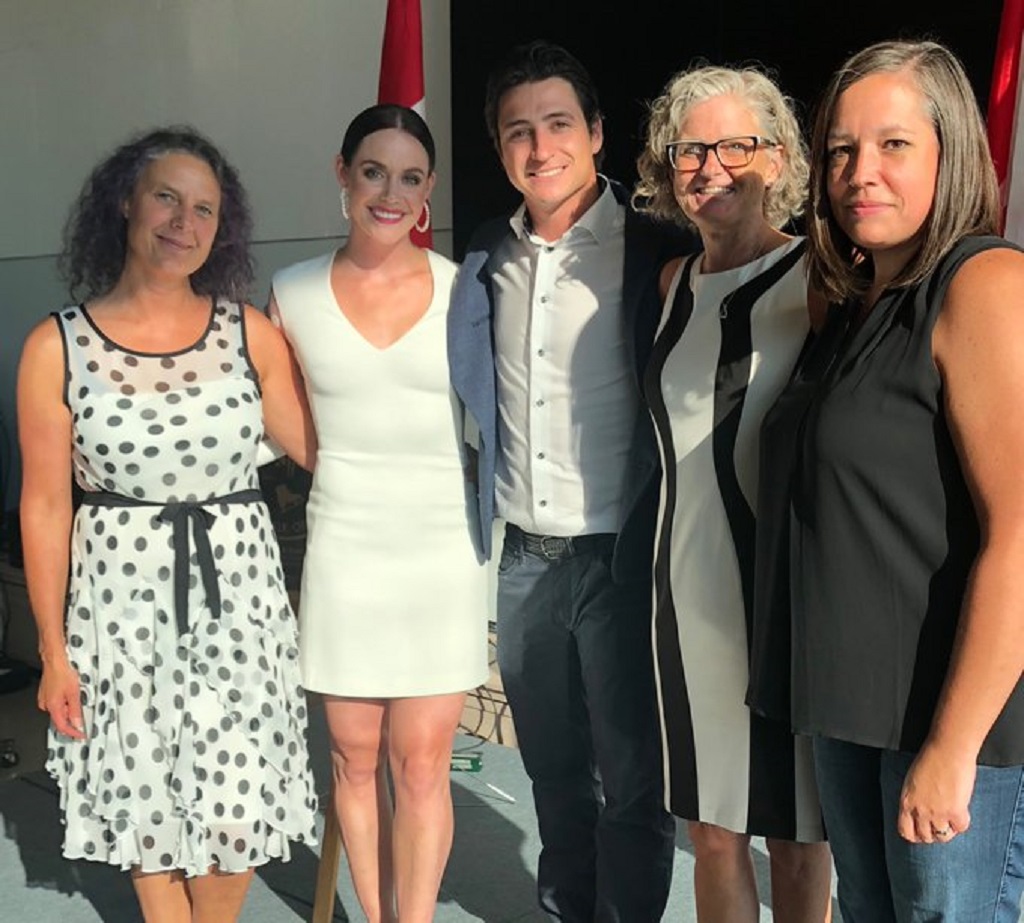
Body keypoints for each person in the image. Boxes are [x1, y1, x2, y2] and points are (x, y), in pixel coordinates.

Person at [749, 39, 1024, 922]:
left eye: (895, 145)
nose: (861, 171)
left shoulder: (984, 284)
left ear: (952, 153)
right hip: (854, 713)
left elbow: (1022, 531)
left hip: (957, 726)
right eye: (842, 148)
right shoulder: (856, 301)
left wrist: (952, 746)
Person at [17, 125, 319, 923]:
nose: (184, 222)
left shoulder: (249, 333)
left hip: (239, 606)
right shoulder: (57, 346)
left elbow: (325, 452)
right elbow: (46, 505)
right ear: (124, 202)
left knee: (236, 805)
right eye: (167, 198)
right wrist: (53, 652)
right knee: (146, 808)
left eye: (205, 210)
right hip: (120, 614)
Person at [449, 40, 685, 922]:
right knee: (550, 771)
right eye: (519, 131)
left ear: (594, 133)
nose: (539, 147)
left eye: (557, 124)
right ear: (501, 148)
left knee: (633, 781)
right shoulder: (485, 259)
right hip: (525, 564)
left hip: (624, 560)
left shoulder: (660, 248)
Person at [269, 104, 489, 923]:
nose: (388, 194)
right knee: (354, 759)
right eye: (372, 172)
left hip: (441, 546)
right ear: (342, 173)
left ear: (428, 189)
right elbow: (291, 428)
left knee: (422, 760)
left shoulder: (468, 288)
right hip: (346, 544)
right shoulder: (288, 293)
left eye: (408, 177)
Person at [633, 65, 832, 923]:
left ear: (777, 157)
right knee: (711, 830)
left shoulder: (821, 275)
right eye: (689, 149)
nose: (709, 165)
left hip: (783, 603)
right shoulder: (672, 284)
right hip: (680, 598)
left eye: (734, 145)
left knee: (796, 837)